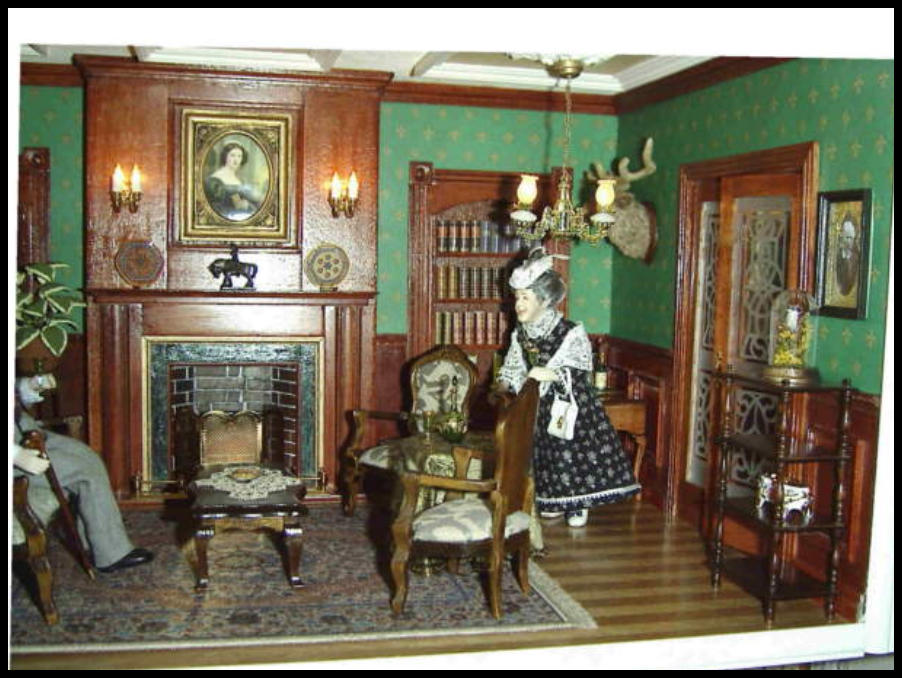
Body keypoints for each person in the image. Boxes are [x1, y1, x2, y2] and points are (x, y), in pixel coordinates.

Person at [497, 247, 640, 528]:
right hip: (535, 404)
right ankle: (552, 500)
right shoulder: (520, 334)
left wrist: (551, 374)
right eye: (517, 298)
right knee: (544, 455)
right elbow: (513, 366)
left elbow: (580, 369)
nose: (518, 305)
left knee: (570, 453)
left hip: (568, 404)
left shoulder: (569, 332)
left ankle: (577, 503)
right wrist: (504, 384)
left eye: (525, 298)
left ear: (544, 301)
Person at [12, 374, 154, 573]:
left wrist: (28, 386)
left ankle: (92, 541)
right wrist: (17, 456)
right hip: (15, 453)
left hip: (22, 429)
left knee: (86, 456)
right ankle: (110, 554)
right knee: (83, 472)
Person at [203, 141, 263, 221]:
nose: (236, 160)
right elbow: (215, 206)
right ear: (225, 157)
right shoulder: (215, 179)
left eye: (239, 156)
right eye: (232, 155)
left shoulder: (240, 179)